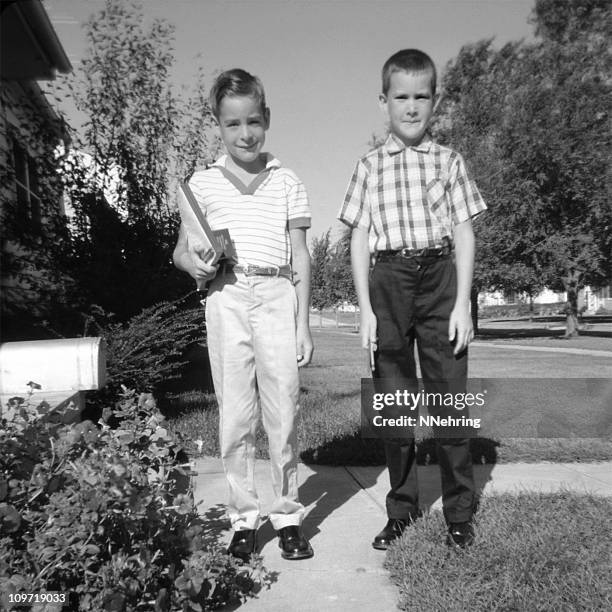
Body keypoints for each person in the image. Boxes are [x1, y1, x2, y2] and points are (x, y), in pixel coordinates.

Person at [338, 49, 487, 549]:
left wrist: (462, 303)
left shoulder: (450, 161)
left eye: (421, 96)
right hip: (389, 282)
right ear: (384, 101)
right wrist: (365, 307)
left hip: (441, 277)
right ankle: (401, 508)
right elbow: (359, 239)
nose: (411, 106)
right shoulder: (368, 166)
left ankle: (459, 513)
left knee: (448, 401)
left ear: (435, 100)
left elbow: (464, 233)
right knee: (396, 405)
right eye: (401, 96)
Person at [173, 68, 314, 562]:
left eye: (253, 121)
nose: (245, 133)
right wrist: (195, 262)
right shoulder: (202, 184)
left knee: (283, 410)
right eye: (233, 124)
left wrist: (303, 323)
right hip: (227, 296)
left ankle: (287, 514)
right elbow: (181, 252)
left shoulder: (287, 181)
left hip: (277, 293)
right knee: (235, 414)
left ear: (267, 118)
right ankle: (243, 517)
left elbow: (301, 254)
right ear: (218, 125)